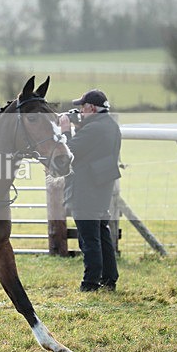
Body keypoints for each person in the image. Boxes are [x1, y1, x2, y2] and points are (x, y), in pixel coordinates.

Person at [59, 89, 122, 291]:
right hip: (101, 186)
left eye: (82, 107)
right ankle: (109, 278)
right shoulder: (109, 124)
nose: (79, 110)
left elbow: (70, 151)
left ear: (92, 108)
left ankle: (91, 282)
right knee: (101, 235)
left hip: (86, 188)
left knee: (88, 239)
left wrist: (66, 130)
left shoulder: (94, 128)